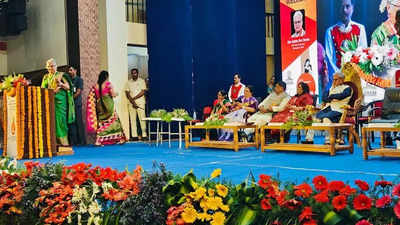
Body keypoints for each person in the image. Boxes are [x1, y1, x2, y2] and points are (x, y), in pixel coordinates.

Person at [325, 0, 367, 88]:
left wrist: (354, 75)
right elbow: (329, 58)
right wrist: (340, 77)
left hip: (356, 78)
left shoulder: (360, 28)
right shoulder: (330, 31)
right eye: (342, 7)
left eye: (347, 6)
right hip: (338, 80)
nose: (344, 10)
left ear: (353, 8)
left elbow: (363, 55)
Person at [303, 72, 352, 144]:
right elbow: (324, 98)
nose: (334, 81)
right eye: (333, 80)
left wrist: (331, 96)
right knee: (315, 118)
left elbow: (342, 96)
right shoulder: (331, 88)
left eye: (336, 79)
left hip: (338, 110)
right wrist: (332, 97)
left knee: (326, 119)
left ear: (342, 80)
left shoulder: (347, 88)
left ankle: (328, 140)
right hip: (327, 108)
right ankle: (309, 139)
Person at [87, 71, 126, 146]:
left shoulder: (95, 86)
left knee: (101, 124)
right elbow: (113, 94)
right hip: (108, 105)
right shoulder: (108, 84)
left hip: (100, 106)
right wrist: (117, 93)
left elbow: (92, 97)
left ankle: (98, 141)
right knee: (115, 122)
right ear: (106, 77)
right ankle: (120, 139)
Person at [41, 58, 75, 146]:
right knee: (51, 122)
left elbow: (68, 87)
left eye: (52, 66)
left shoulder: (62, 75)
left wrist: (61, 84)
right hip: (50, 102)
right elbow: (42, 89)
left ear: (56, 66)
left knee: (60, 122)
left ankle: (64, 143)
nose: (50, 68)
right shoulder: (45, 77)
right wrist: (51, 91)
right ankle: (54, 143)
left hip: (60, 103)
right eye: (48, 66)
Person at [125, 68, 148, 141]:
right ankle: (134, 136)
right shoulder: (128, 82)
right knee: (132, 119)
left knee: (142, 119)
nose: (133, 74)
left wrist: (133, 98)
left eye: (135, 73)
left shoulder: (141, 81)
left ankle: (144, 135)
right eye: (132, 73)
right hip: (131, 103)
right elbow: (127, 93)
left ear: (138, 73)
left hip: (140, 102)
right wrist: (132, 101)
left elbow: (143, 92)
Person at [67, 66, 86, 145]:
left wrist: (71, 99)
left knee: (79, 122)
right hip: (69, 105)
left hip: (76, 104)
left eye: (71, 70)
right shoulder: (68, 80)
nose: (69, 72)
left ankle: (82, 142)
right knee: (71, 123)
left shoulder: (79, 80)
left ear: (75, 70)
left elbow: (78, 92)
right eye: (69, 70)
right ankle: (73, 142)